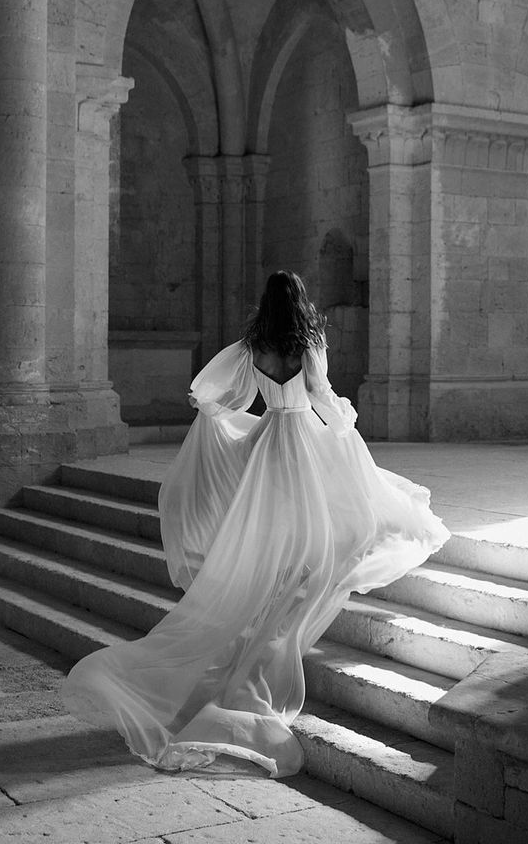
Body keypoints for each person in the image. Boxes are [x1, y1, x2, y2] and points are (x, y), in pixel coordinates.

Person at [60, 270, 449, 778]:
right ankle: (291, 592)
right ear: (301, 302)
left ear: (265, 304)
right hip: (304, 434)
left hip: (269, 440)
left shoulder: (253, 346)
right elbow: (322, 394)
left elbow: (223, 396)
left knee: (273, 522)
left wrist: (215, 419)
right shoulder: (308, 343)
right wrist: (345, 424)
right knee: (331, 519)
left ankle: (277, 582)